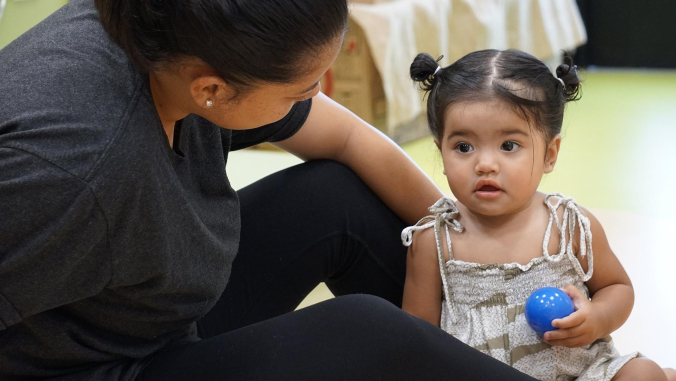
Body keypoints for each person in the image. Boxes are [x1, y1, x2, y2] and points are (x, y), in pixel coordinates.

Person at [0, 1, 546, 380]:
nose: (313, 97)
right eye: (302, 89)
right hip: (97, 366)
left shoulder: (162, 28)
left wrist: (499, 251)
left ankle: (515, 352)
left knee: (337, 195)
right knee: (368, 332)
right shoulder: (70, 173)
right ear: (211, 89)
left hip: (144, 310)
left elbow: (349, 138)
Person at [401, 50, 676, 381]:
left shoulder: (569, 225)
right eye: (463, 147)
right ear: (440, 152)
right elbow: (416, 341)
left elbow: (617, 287)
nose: (485, 164)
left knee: (642, 373)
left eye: (509, 146)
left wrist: (596, 319)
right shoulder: (434, 241)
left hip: (582, 373)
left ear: (549, 153)